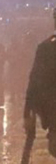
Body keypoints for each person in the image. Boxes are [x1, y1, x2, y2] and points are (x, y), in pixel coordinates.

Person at [24, 8, 56, 153]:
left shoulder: (47, 47)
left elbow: (34, 81)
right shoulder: (46, 48)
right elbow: (35, 81)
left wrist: (28, 112)